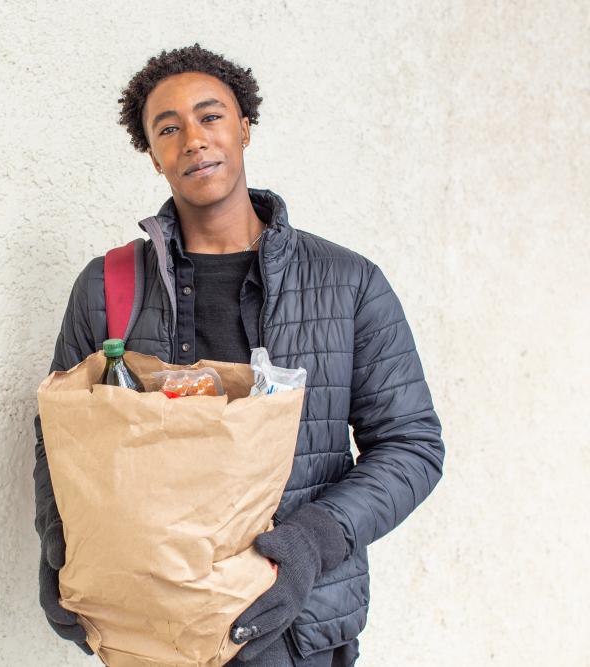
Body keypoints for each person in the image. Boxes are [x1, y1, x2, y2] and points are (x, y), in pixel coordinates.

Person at [33, 43, 444, 667]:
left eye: (210, 116)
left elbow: (412, 444)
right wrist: (59, 548)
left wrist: (313, 540)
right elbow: (58, 438)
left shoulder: (347, 282)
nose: (193, 139)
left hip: (296, 631)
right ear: (152, 154)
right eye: (167, 128)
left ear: (244, 127)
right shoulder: (106, 287)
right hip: (151, 628)